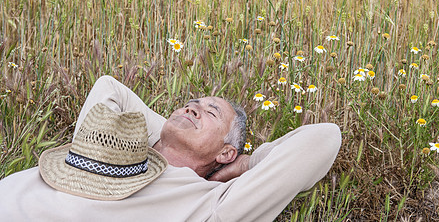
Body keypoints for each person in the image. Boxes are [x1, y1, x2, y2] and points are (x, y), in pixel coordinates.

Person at [0, 75, 342, 221]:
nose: (191, 108)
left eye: (210, 112)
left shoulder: (209, 204)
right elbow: (110, 87)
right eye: (188, 104)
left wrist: (245, 165)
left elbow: (325, 137)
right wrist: (164, 134)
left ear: (225, 153)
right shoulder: (109, 144)